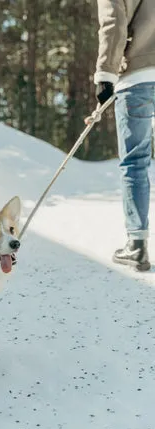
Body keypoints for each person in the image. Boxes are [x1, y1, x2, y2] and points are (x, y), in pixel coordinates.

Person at [94, 0, 155, 271]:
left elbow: (114, 21)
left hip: (139, 77)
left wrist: (105, 76)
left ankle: (137, 245)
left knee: (135, 161)